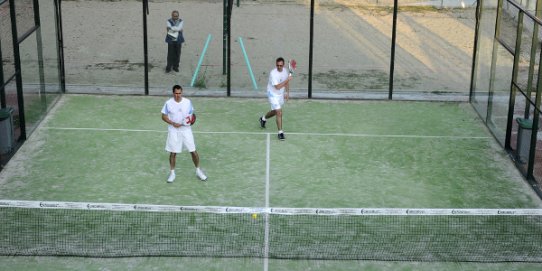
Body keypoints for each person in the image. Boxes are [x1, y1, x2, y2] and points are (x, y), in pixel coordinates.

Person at [161, 85, 207, 183]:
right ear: (173, 93)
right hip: (173, 130)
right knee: (173, 152)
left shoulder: (187, 102)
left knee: (193, 151)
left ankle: (198, 171)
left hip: (186, 130)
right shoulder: (168, 103)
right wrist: (173, 123)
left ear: (182, 92)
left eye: (179, 93)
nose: (178, 95)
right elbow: (163, 116)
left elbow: (192, 116)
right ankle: (172, 173)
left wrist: (189, 122)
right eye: (176, 93)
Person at [259, 57, 293, 140]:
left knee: (275, 111)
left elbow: (287, 83)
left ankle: (263, 119)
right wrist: (287, 79)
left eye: (281, 65)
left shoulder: (285, 71)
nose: (279, 67)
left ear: (283, 65)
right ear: (276, 65)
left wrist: (287, 93)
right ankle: (280, 132)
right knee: (279, 112)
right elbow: (277, 87)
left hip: (280, 94)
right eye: (277, 65)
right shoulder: (273, 74)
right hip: (272, 93)